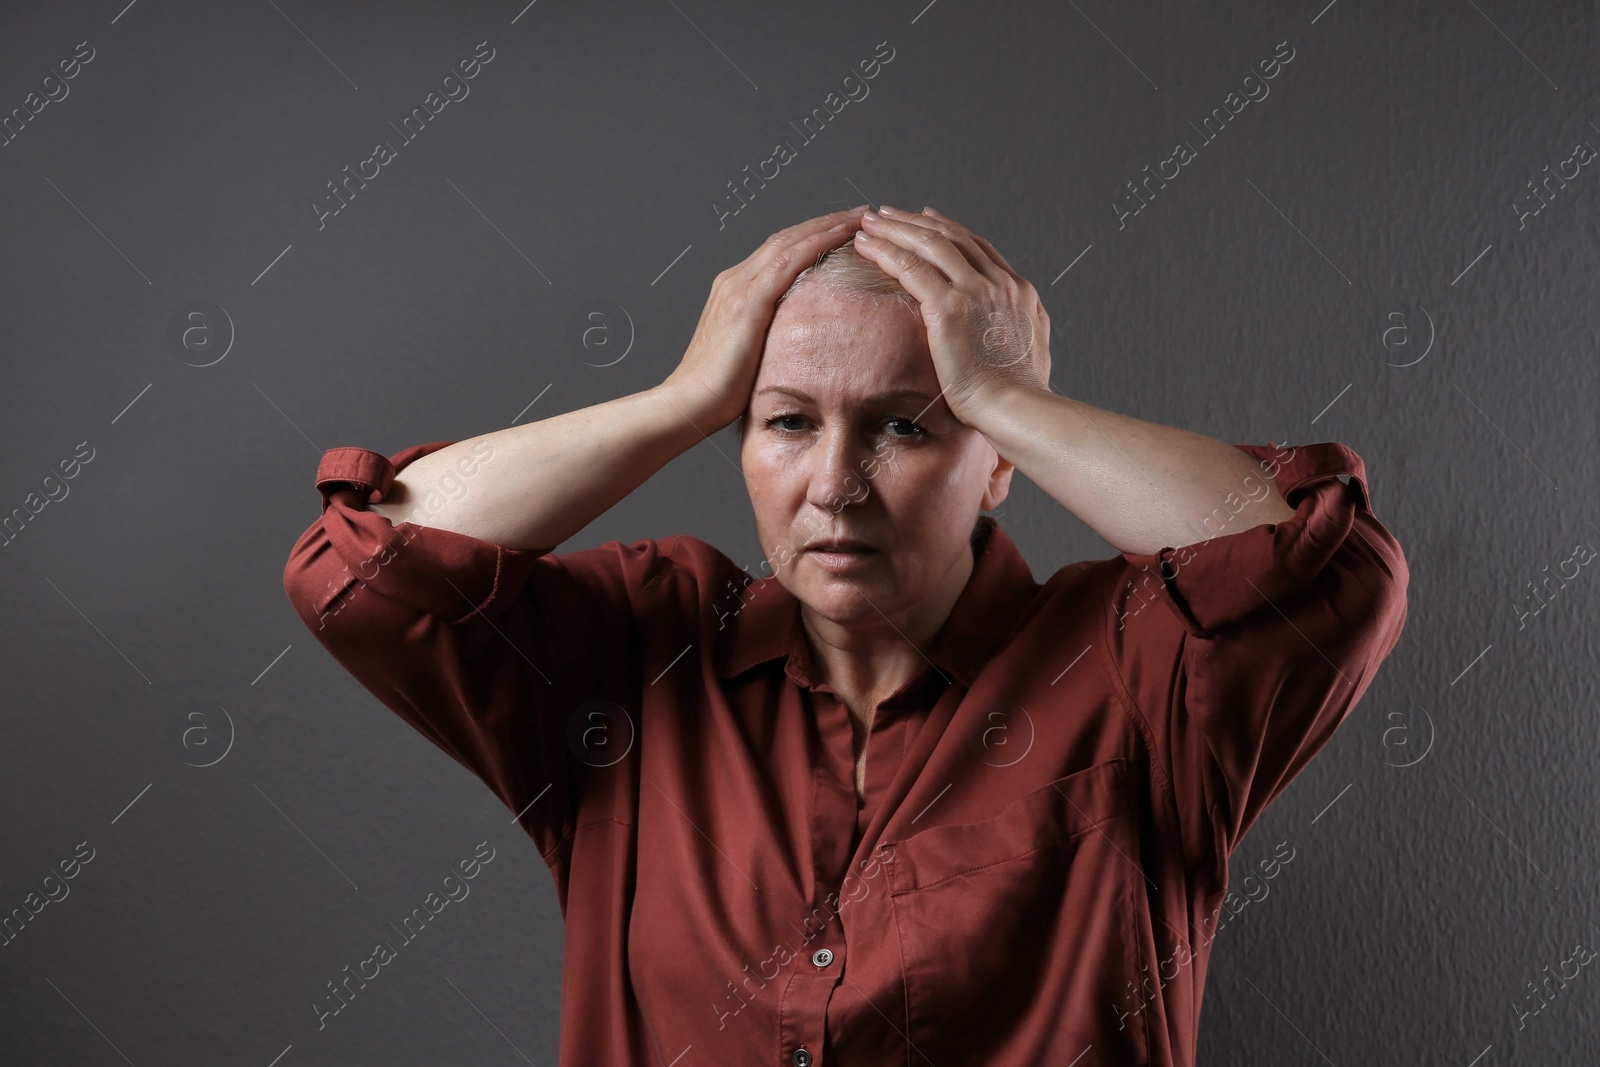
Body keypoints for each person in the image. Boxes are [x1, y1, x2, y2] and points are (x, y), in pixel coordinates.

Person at [282, 204, 1408, 1066]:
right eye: (783, 421)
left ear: (999, 460)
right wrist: (682, 397)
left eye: (904, 427)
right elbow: (365, 566)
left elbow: (1327, 568)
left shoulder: (1128, 667)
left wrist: (1008, 395)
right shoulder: (639, 647)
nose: (834, 486)